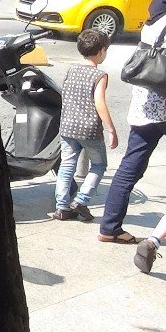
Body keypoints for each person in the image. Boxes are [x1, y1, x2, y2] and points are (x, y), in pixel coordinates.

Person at [98, 0, 166, 244]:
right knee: (131, 165)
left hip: (144, 105)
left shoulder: (153, 22)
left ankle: (109, 226)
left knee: (131, 165)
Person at [50, 29, 117, 222]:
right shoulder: (100, 75)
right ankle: (81, 199)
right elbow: (99, 103)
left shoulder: (71, 70)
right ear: (102, 51)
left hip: (68, 127)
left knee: (66, 166)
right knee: (99, 164)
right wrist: (111, 129)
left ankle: (61, 208)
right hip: (89, 130)